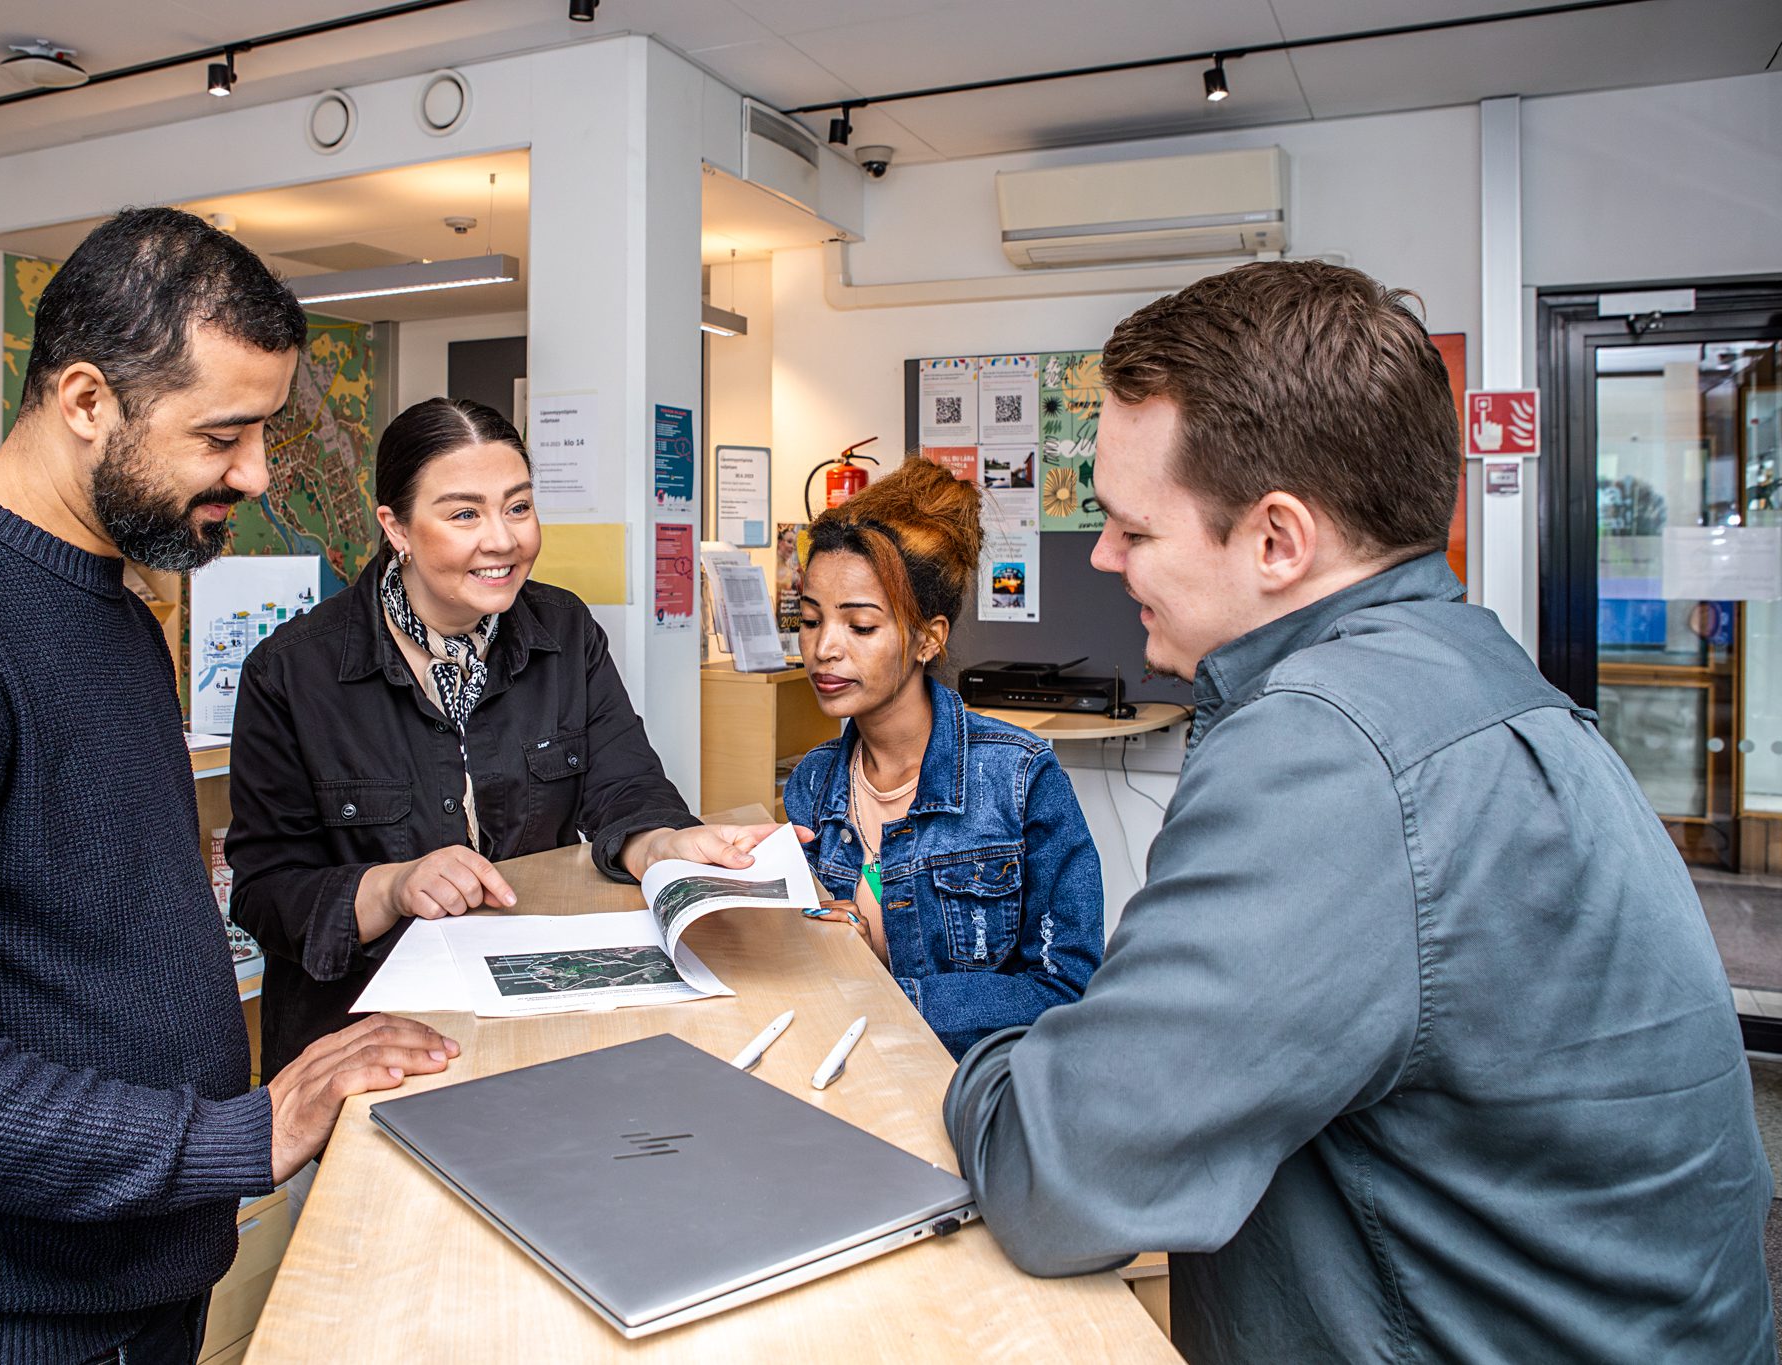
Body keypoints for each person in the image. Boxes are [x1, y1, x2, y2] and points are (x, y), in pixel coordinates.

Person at [943, 261, 1774, 1362]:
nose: (1102, 557)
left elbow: (1062, 1174)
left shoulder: (1327, 750)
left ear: (1278, 540)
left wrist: (991, 1049)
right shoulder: (1481, 684)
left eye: (1132, 531)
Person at [0, 207, 463, 1365]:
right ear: (86, 402)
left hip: (129, 1303)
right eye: (224, 435)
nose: (259, 473)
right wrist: (237, 1135)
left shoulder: (115, 609)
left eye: (266, 432)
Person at [225, 397, 772, 1082]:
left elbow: (625, 785)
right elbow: (267, 894)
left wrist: (665, 844)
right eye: (464, 514)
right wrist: (393, 886)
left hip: (535, 1029)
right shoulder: (291, 672)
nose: (503, 540)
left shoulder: (564, 632)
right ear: (395, 526)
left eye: (518, 506)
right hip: (367, 1053)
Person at [783, 457, 1104, 1058]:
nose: (824, 648)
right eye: (809, 620)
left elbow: (1067, 992)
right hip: (846, 1081)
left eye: (860, 626)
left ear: (929, 638)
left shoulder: (1019, 779)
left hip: (975, 1095)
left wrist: (896, 992)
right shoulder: (811, 784)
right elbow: (810, 972)